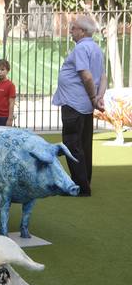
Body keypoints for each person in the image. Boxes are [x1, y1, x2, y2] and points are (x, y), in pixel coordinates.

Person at [52, 14, 106, 196]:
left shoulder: (81, 49)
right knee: (83, 143)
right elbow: (103, 77)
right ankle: (84, 181)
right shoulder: (96, 48)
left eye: (73, 28)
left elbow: (87, 76)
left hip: (74, 103)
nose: (70, 31)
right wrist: (98, 97)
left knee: (72, 143)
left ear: (82, 31)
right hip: (83, 104)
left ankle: (80, 186)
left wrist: (93, 97)